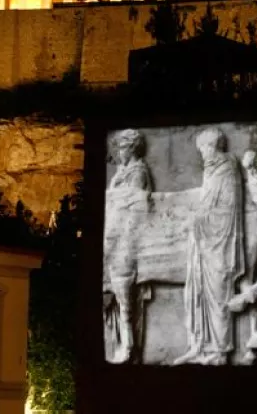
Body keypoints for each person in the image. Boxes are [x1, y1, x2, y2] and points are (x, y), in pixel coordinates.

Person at [174, 128, 245, 365]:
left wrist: (196, 221)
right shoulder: (211, 170)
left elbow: (227, 210)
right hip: (202, 243)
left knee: (218, 296)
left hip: (219, 242)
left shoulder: (226, 169)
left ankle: (220, 352)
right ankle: (199, 345)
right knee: (195, 293)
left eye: (203, 149)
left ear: (211, 146)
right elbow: (206, 204)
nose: (202, 153)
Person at [104, 129, 153, 363]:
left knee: (127, 298)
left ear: (132, 149)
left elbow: (135, 205)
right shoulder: (122, 173)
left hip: (129, 241)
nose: (118, 153)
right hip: (115, 238)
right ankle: (121, 343)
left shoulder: (138, 172)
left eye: (122, 148)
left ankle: (129, 346)